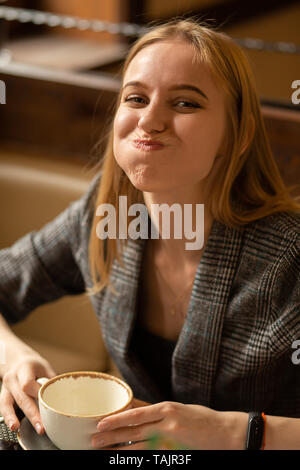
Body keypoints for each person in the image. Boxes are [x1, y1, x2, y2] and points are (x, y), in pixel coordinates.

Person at [0, 18, 299, 450]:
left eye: (185, 104)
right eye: (136, 98)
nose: (151, 120)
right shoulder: (103, 218)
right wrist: (13, 356)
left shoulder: (290, 256)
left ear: (237, 134)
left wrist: (236, 431)